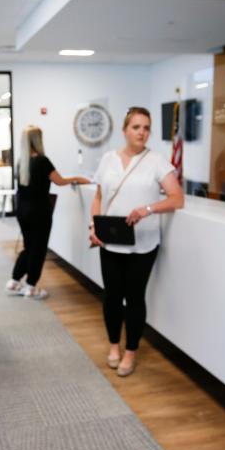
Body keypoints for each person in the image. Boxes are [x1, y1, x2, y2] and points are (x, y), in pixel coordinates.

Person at [89, 107, 184, 377]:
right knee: (111, 297)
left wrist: (148, 209)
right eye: (136, 127)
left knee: (134, 298)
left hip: (143, 243)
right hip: (109, 240)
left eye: (146, 128)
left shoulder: (157, 161)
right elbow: (98, 197)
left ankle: (130, 352)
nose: (142, 132)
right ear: (125, 130)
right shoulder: (108, 159)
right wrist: (93, 225)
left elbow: (177, 198)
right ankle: (113, 347)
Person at [7, 125, 90, 299]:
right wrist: (76, 178)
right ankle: (31, 286)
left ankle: (14, 281)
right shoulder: (42, 161)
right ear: (37, 140)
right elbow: (59, 181)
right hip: (39, 212)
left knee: (29, 247)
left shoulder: (21, 162)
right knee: (38, 249)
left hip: (22, 210)